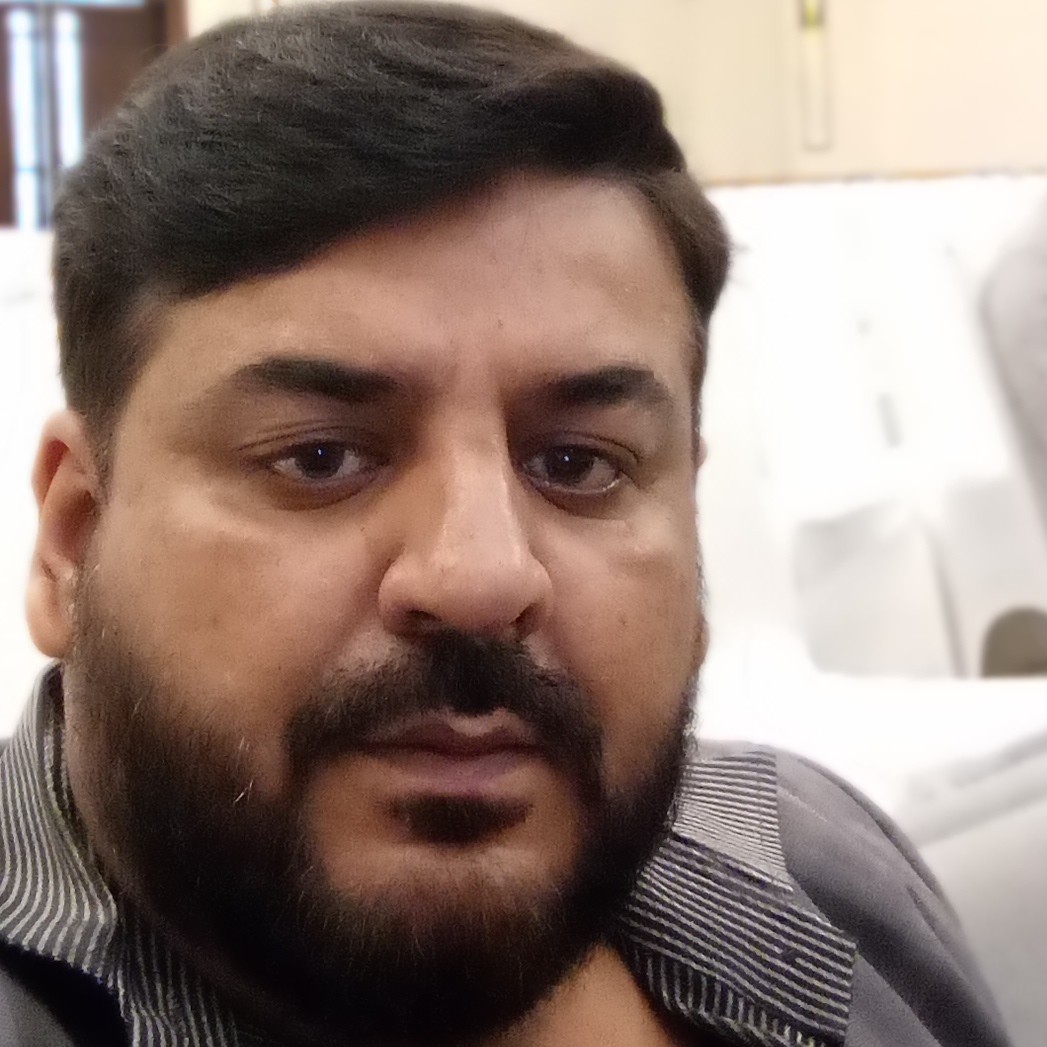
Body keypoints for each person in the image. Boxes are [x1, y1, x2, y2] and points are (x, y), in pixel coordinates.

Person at [0, 3, 1011, 1045]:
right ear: (74, 539)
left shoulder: (815, 859)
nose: (481, 576)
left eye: (577, 464)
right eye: (320, 458)